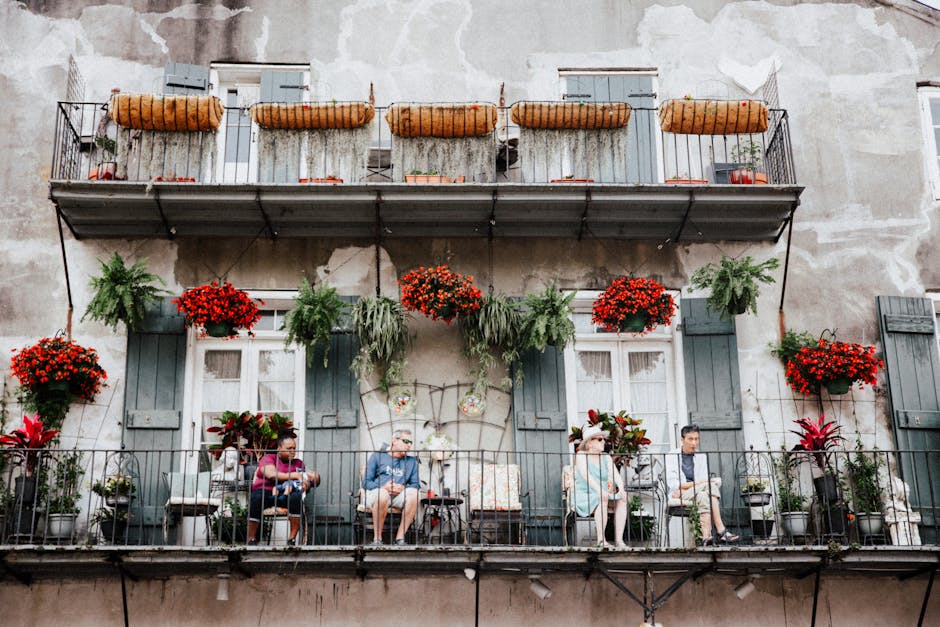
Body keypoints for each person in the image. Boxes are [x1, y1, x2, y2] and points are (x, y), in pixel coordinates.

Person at [665, 424, 739, 545]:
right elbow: (674, 484)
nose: (694, 442)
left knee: (704, 495)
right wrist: (703, 483)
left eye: (696, 439)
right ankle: (721, 530)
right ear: (682, 440)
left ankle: (706, 537)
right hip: (678, 494)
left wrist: (700, 484)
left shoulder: (701, 456)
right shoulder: (671, 456)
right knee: (710, 485)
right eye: (690, 439)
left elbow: (702, 482)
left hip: (695, 492)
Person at [247, 431, 321, 546]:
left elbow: (308, 479)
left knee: (296, 498)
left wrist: (305, 485)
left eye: (294, 448)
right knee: (257, 497)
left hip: (287, 493)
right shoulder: (268, 458)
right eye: (289, 448)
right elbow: (271, 475)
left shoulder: (298, 463)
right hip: (266, 491)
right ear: (279, 448)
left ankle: (291, 539)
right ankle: (251, 539)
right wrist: (294, 475)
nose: (293, 451)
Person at [362, 429, 419, 545]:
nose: (409, 445)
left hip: (398, 497)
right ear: (394, 440)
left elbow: (415, 484)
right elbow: (366, 482)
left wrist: (403, 488)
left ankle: (400, 539)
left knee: (415, 494)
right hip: (376, 495)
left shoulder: (411, 461)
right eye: (406, 441)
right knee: (382, 494)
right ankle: (377, 539)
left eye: (411, 443)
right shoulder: (377, 456)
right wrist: (383, 487)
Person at [574, 424, 627, 548]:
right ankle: (601, 540)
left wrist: (621, 488)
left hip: (603, 493)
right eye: (599, 439)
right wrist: (600, 491)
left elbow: (615, 475)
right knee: (602, 497)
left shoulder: (606, 457)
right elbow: (586, 476)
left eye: (603, 439)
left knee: (623, 498)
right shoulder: (581, 455)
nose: (604, 441)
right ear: (589, 443)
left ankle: (619, 541)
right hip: (584, 493)